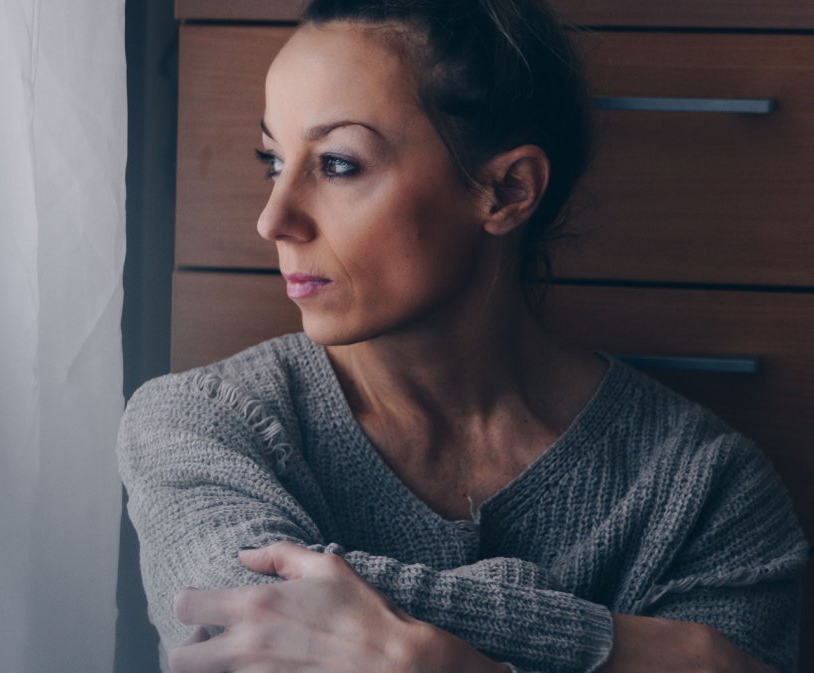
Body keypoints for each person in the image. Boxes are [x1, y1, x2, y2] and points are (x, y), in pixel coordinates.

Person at [117, 0, 809, 671]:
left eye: (337, 164)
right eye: (273, 161)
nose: (274, 219)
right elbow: (249, 632)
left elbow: (289, 614)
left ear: (507, 191)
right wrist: (619, 644)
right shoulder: (202, 424)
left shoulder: (707, 490)